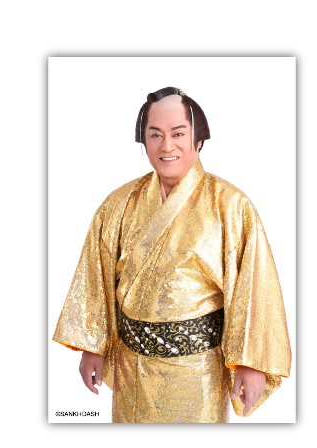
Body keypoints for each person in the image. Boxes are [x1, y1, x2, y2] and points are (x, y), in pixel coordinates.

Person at [52, 87, 291, 423]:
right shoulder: (119, 203)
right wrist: (94, 346)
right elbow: (96, 275)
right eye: (155, 135)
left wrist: (250, 363)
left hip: (198, 371)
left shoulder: (230, 205)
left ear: (199, 140)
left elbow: (254, 287)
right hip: (132, 368)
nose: (166, 146)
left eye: (178, 134)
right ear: (144, 140)